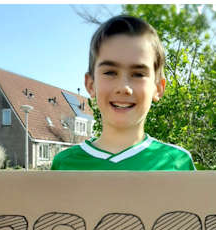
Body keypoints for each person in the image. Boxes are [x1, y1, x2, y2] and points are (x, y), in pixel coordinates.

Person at [49, 15, 195, 171]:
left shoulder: (178, 163)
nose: (123, 87)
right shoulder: (64, 164)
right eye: (110, 72)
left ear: (158, 88)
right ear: (90, 84)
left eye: (138, 74)